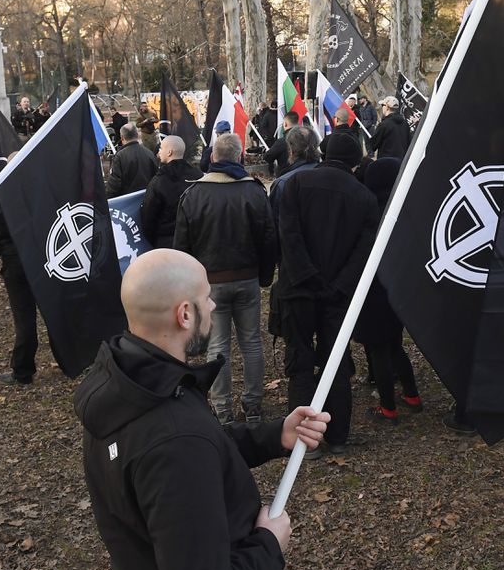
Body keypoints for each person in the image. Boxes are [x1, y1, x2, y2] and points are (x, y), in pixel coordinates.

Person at [75, 249, 330, 570]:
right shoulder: (174, 438)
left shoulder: (131, 384)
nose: (212, 304)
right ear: (185, 314)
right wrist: (268, 546)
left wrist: (275, 435)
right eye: (206, 296)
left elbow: (203, 448)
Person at [275, 133, 378, 456]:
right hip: (335, 294)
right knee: (335, 361)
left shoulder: (297, 185)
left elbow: (288, 236)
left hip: (301, 291)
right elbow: (364, 250)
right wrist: (336, 285)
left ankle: (306, 441)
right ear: (355, 161)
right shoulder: (363, 196)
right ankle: (337, 436)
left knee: (302, 360)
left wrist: (308, 277)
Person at [174, 134, 278, 425]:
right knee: (250, 342)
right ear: (239, 157)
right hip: (244, 278)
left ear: (214, 157)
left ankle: (223, 410)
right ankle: (252, 405)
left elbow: (182, 245)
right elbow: (268, 238)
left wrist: (187, 284)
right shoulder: (254, 192)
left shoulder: (194, 195)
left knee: (218, 345)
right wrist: (265, 274)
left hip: (211, 283)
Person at [354, 157, 422, 423]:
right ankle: (412, 394)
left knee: (379, 349)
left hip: (373, 291)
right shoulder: (403, 210)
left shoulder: (368, 210)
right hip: (398, 289)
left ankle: (388, 406)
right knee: (394, 345)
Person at [0, 164, 45, 387]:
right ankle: (71, 358)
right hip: (44, 257)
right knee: (56, 311)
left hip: (16, 262)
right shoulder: (42, 189)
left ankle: (23, 370)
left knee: (24, 318)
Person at [140, 135, 202, 248]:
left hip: (167, 241)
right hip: (195, 239)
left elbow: (148, 216)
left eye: (161, 148)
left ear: (169, 152)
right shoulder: (198, 176)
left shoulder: (159, 180)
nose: (159, 151)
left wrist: (156, 240)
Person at [107, 124, 160, 198]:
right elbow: (156, 178)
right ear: (137, 136)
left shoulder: (120, 156)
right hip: (147, 200)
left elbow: (114, 185)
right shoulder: (149, 153)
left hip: (126, 202)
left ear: (122, 137)